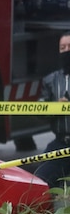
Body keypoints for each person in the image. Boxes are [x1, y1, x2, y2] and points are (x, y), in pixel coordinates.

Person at [34, 31, 70, 188]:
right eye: (63, 47)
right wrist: (55, 107)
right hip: (61, 143)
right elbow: (40, 111)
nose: (66, 51)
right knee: (38, 181)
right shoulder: (50, 80)